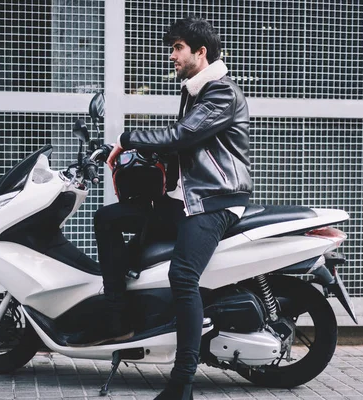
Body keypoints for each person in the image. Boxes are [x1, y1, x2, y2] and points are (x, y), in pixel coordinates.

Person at [100, 16, 252, 399]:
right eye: (172, 49)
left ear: (200, 52)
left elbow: (182, 136)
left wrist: (127, 138)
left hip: (214, 201)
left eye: (177, 48)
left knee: (183, 277)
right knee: (108, 219)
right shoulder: (194, 91)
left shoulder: (221, 93)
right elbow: (177, 146)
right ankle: (118, 319)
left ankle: (181, 382)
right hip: (185, 199)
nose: (172, 56)